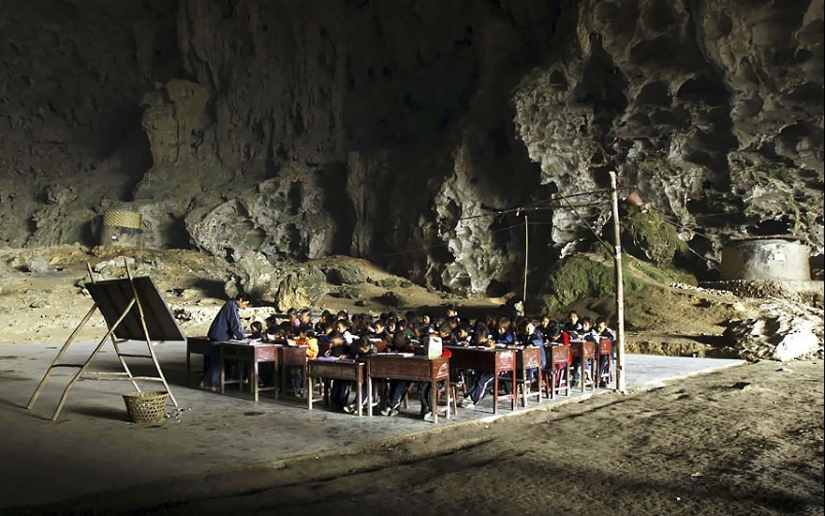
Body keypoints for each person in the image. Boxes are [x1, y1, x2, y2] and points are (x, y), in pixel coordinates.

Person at [200, 293, 250, 391]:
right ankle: (209, 383)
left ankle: (211, 383)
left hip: (217, 337)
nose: (244, 307)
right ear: (240, 300)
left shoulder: (229, 305)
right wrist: (241, 337)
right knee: (216, 363)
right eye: (245, 304)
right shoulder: (232, 306)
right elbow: (235, 324)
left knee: (216, 362)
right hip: (219, 338)